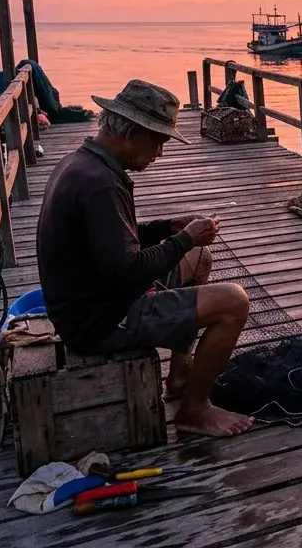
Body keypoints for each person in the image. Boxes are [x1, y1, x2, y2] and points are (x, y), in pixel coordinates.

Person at [36, 79, 253, 437]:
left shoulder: (82, 163)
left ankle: (182, 375)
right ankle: (194, 411)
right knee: (234, 303)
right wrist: (184, 238)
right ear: (133, 133)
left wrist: (169, 227)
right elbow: (128, 272)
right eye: (159, 141)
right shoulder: (101, 183)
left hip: (90, 301)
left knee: (199, 257)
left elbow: (113, 240)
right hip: (99, 321)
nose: (160, 154)